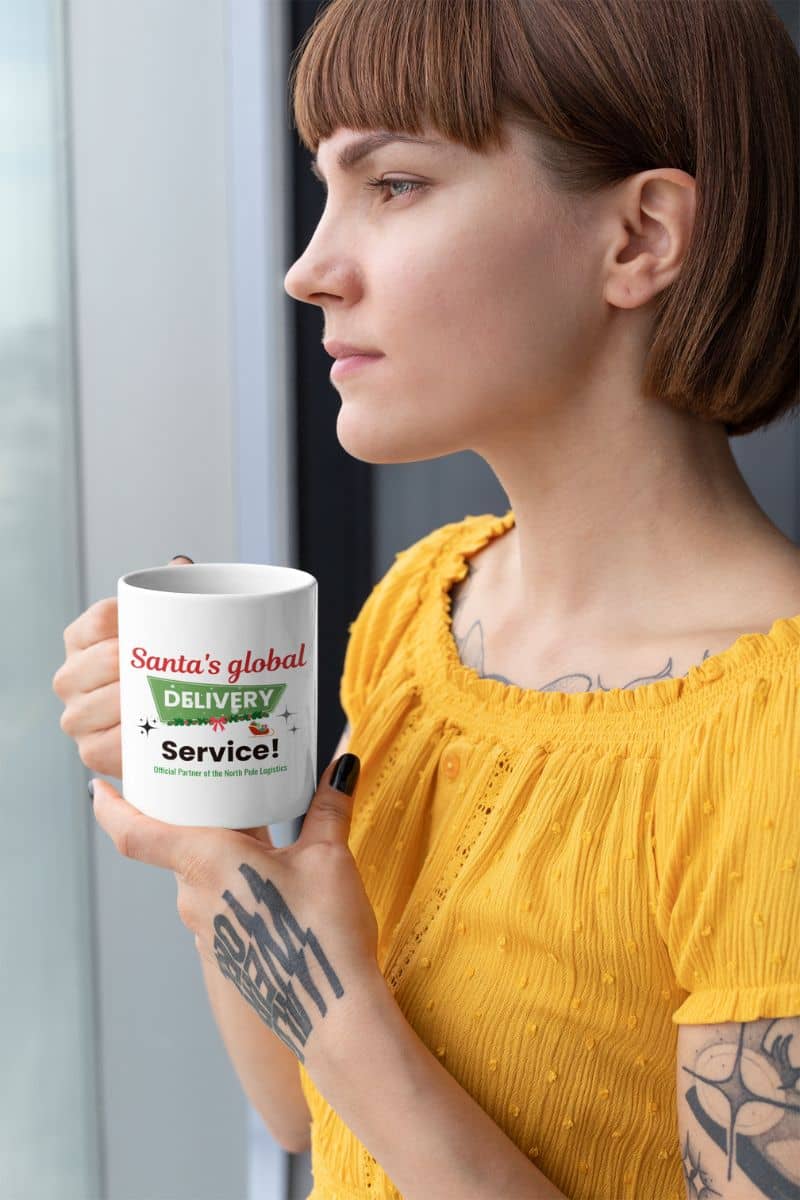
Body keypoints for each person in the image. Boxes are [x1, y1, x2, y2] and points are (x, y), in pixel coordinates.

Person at [55, 0, 799, 1197]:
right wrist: (221, 818)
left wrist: (339, 1009)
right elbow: (297, 1108)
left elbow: (336, 1049)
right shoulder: (429, 604)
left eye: (392, 184)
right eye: (324, 188)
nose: (308, 270)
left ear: (637, 236)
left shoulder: (777, 741)